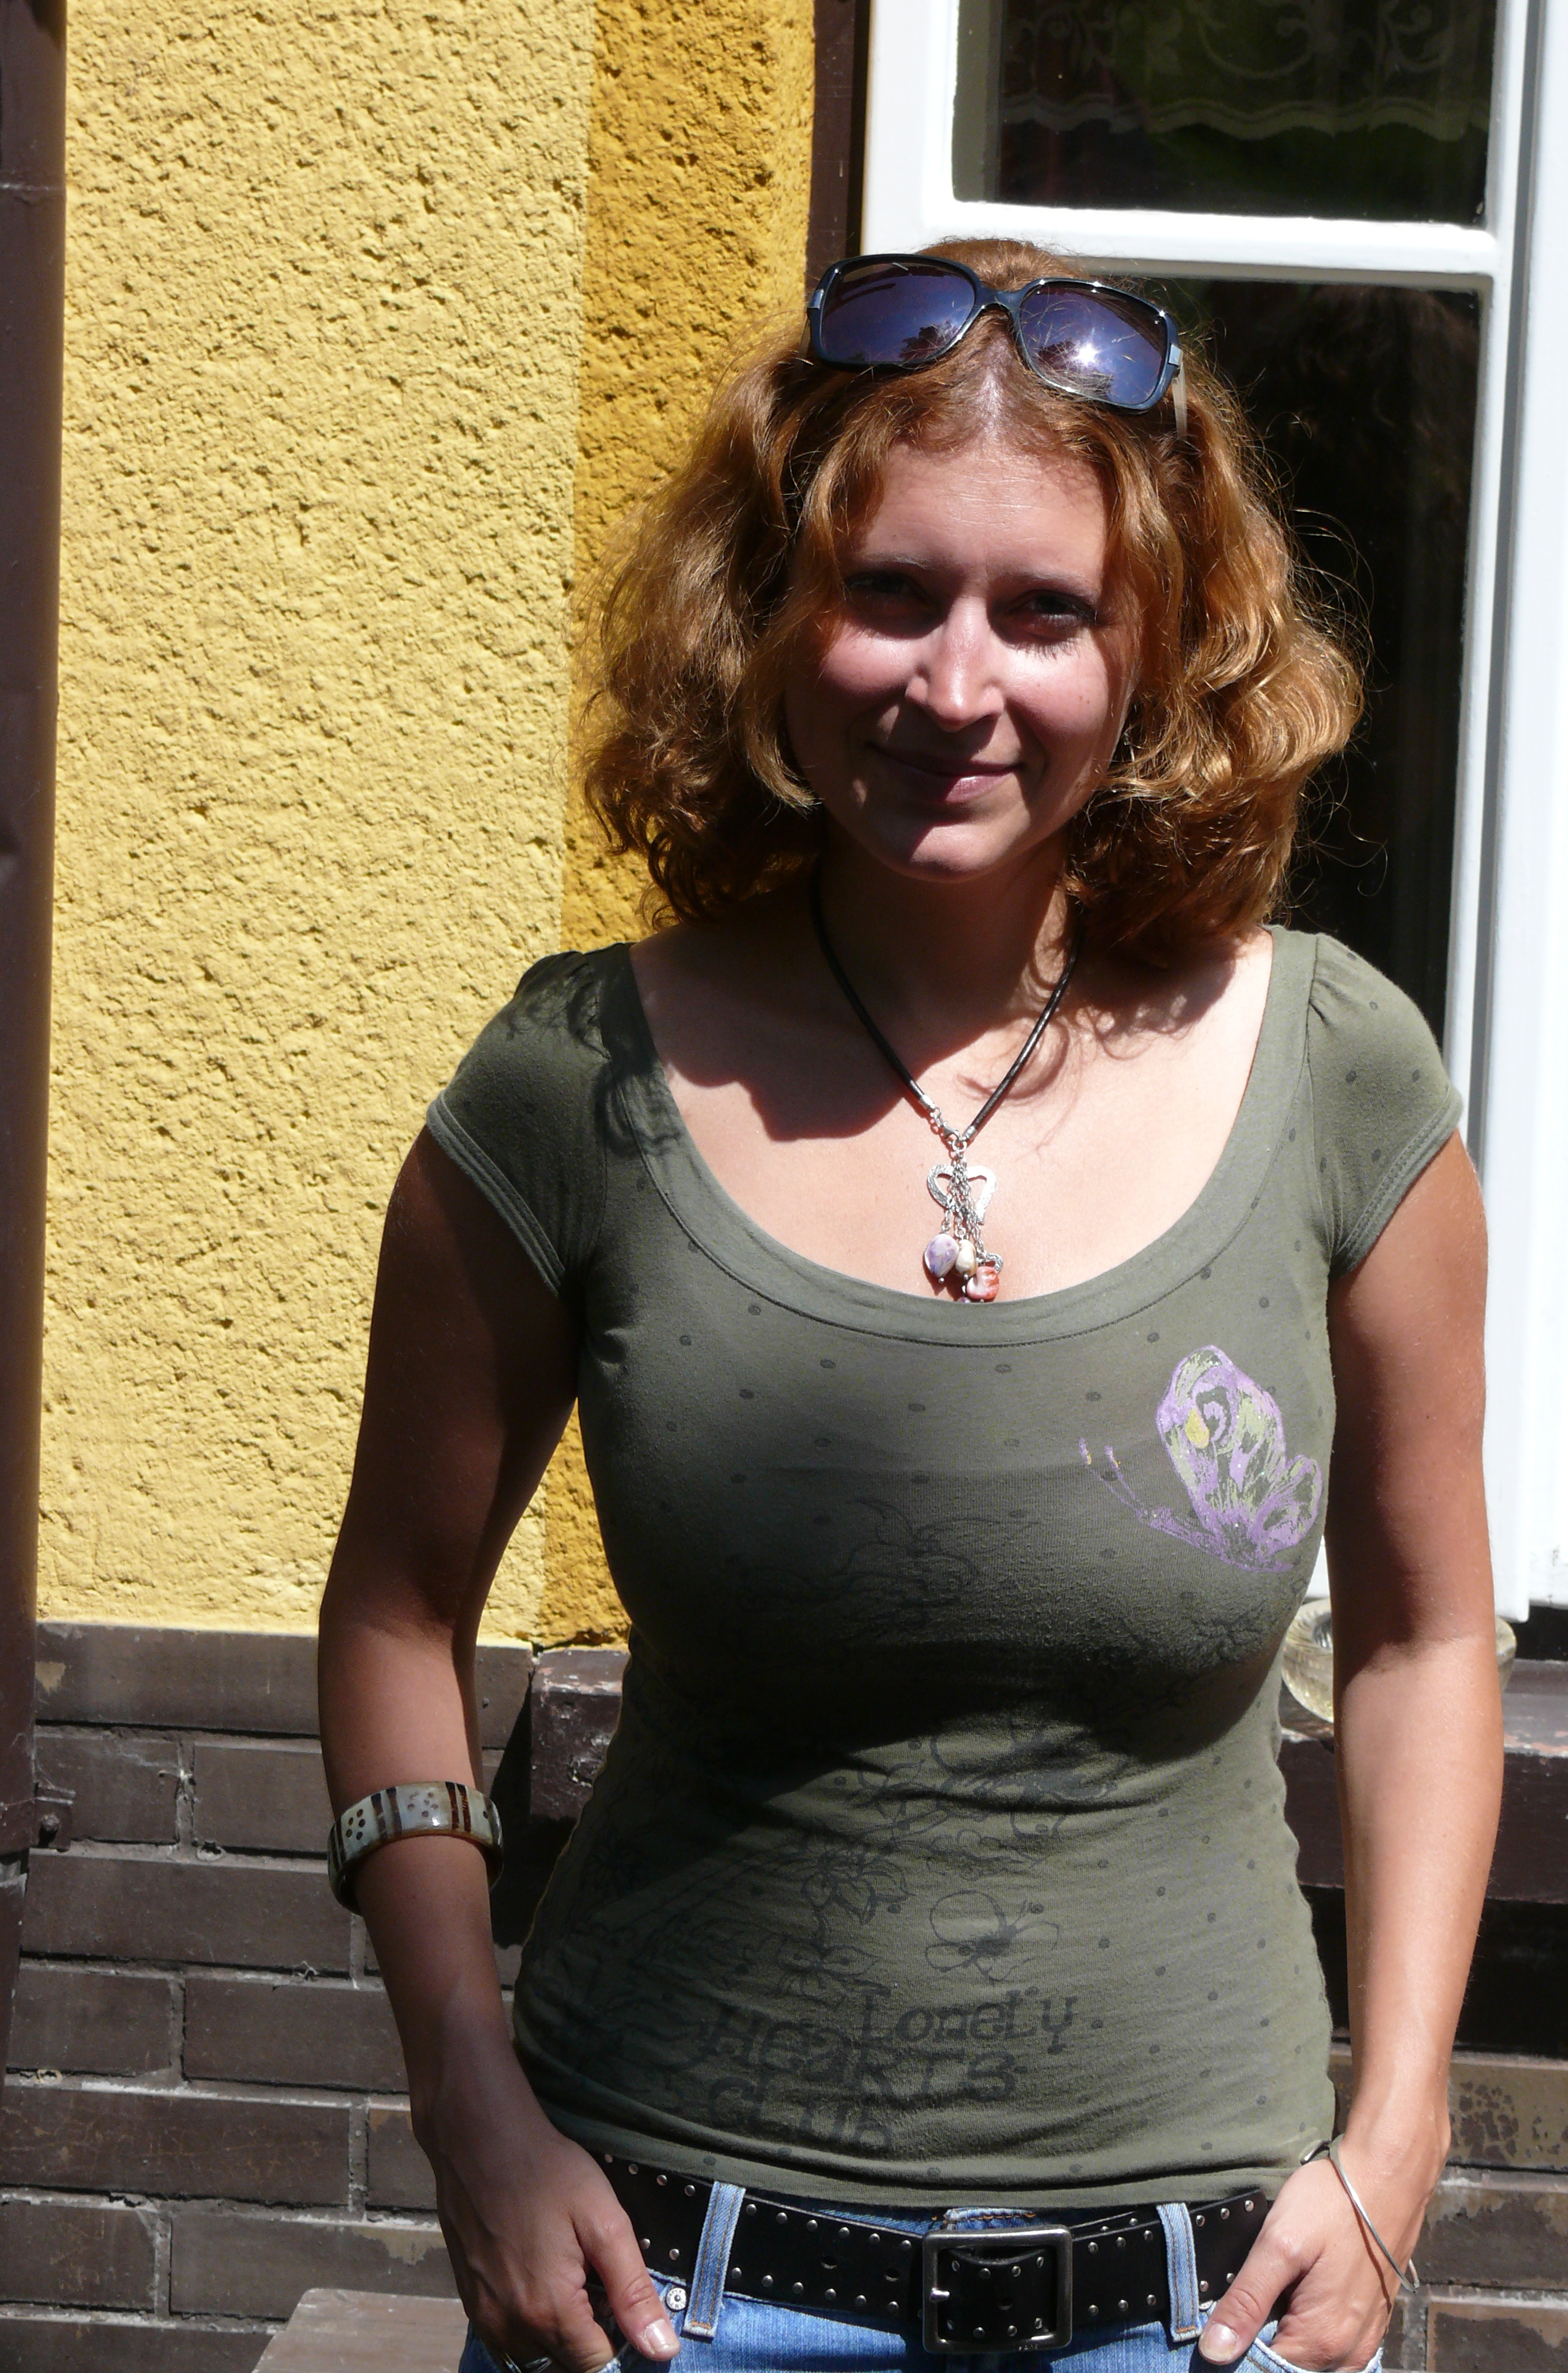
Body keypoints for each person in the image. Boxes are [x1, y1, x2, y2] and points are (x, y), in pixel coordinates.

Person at [317, 242, 1503, 2373]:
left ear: (1157, 654)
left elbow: (1423, 1640)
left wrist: (1398, 2133)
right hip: (663, 2292)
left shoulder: (1339, 1072)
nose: (958, 686)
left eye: (1046, 613)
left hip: (1206, 2302)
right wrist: (466, 2110)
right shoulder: (574, 1083)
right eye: (891, 593)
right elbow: (397, 1619)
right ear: (769, 618)